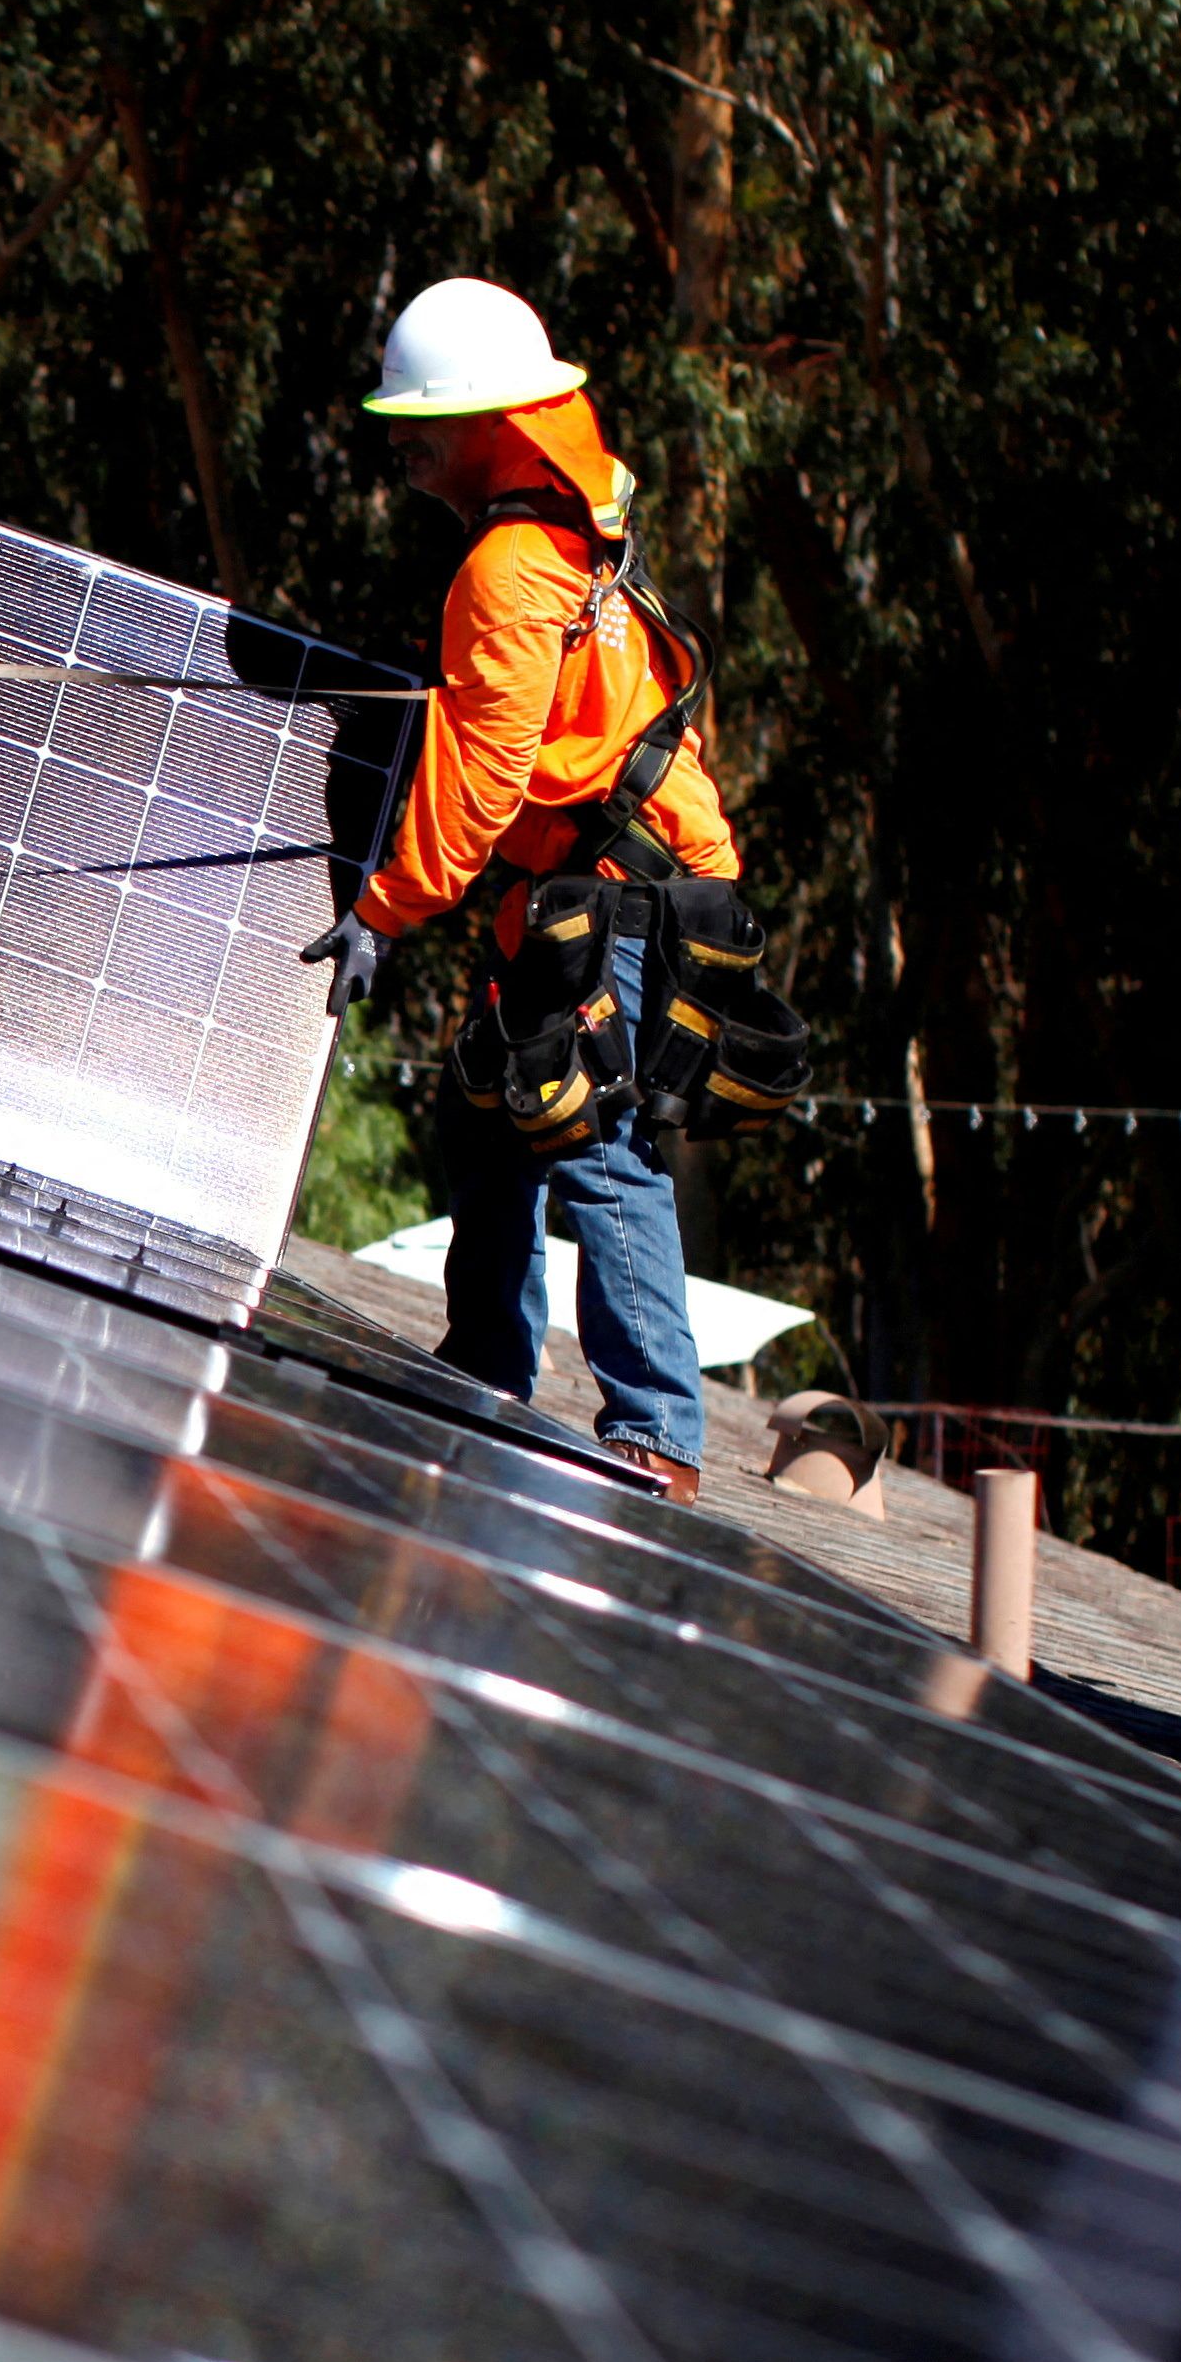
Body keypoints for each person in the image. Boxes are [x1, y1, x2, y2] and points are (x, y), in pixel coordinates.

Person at [301, 279, 762, 1503]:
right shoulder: (578, 532)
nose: (403, 454)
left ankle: (655, 1434)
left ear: (502, 423)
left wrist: (386, 909)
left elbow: (487, 772)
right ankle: (487, 1366)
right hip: (603, 883)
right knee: (489, 1114)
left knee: (597, 1141)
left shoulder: (510, 568)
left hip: (605, 891)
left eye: (424, 428)